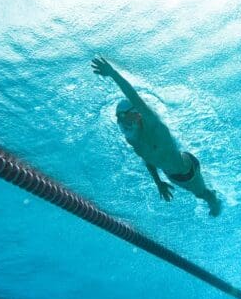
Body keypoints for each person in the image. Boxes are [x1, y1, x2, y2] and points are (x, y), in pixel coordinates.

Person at [91, 57, 221, 216]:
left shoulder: (153, 125)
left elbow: (134, 97)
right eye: (118, 118)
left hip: (188, 171)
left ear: (137, 114)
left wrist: (112, 73)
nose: (122, 122)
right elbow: (148, 159)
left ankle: (215, 201)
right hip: (171, 174)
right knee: (194, 191)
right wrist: (158, 182)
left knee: (202, 194)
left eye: (124, 117)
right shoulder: (132, 138)